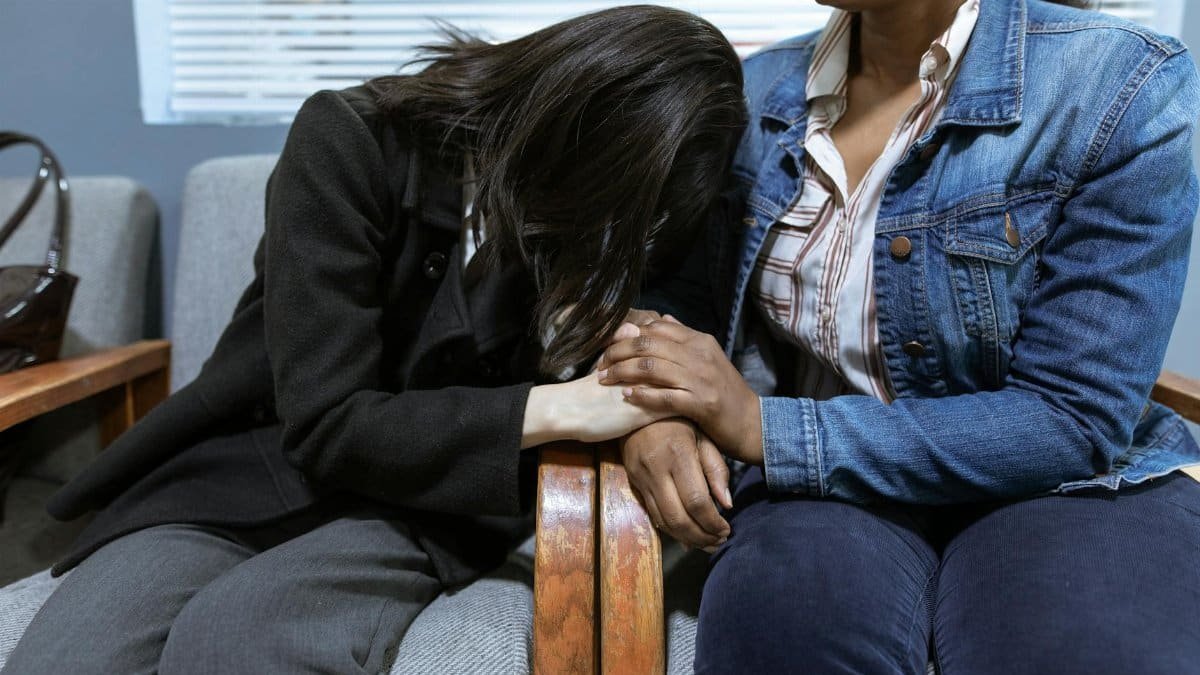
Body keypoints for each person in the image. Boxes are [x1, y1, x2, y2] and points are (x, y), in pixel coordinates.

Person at [2, 6, 747, 674]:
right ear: (572, 124)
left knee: (240, 641)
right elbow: (326, 419)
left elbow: (657, 327)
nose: (610, 239)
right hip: (250, 471)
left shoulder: (621, 219)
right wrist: (564, 408)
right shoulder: (350, 139)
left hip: (420, 503)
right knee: (67, 658)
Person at [599, 0, 1200, 672]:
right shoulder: (753, 90)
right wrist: (655, 414)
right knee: (784, 638)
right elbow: (675, 302)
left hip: (1069, 488)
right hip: (824, 493)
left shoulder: (1119, 82)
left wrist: (766, 429)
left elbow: (1072, 419)